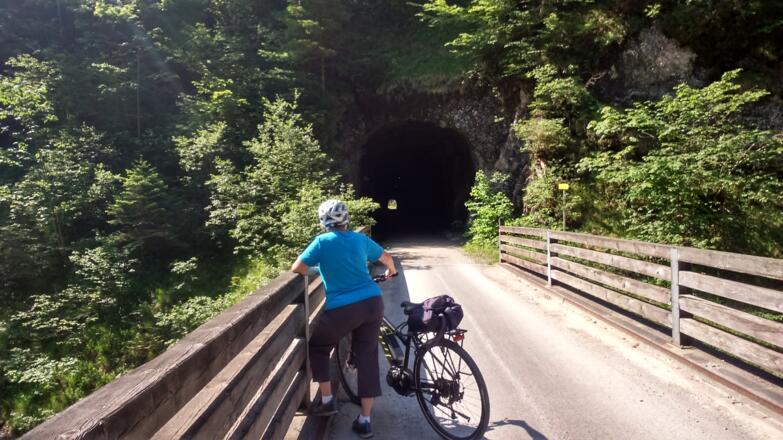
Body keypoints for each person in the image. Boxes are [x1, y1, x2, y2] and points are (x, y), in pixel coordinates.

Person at [291, 199, 396, 439]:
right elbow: (386, 257)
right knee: (368, 356)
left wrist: (318, 269)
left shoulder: (322, 242)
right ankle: (365, 420)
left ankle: (327, 400)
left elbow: (297, 268)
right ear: (346, 219)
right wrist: (392, 272)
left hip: (344, 309)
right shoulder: (359, 239)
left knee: (318, 345)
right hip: (372, 302)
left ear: (323, 221)